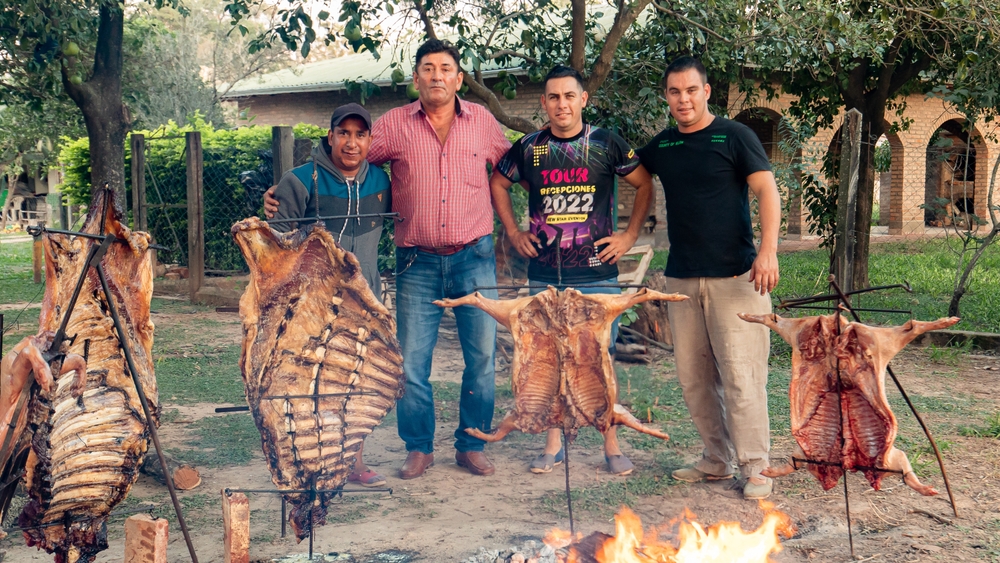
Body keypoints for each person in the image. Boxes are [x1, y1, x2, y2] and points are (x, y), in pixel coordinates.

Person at [490, 65, 655, 476]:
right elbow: (498, 182)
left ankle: (610, 442)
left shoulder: (606, 144)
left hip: (597, 273)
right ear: (544, 103)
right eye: (553, 97)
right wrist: (513, 232)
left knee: (599, 358)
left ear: (583, 99)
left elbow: (645, 184)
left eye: (569, 96)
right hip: (545, 273)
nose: (561, 104)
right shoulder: (530, 148)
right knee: (547, 358)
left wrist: (629, 236)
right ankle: (553, 443)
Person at [636, 56, 781, 500]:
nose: (683, 99)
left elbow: (767, 190)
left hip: (737, 277)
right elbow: (635, 179)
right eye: (675, 92)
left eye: (691, 90)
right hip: (681, 281)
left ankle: (756, 467)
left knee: (741, 375)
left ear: (706, 91)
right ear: (667, 96)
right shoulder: (663, 146)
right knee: (693, 377)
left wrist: (769, 251)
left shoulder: (734, 136)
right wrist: (626, 233)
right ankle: (715, 459)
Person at [267, 103, 391, 487]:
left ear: (370, 140)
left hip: (364, 301)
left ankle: (353, 458)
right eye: (344, 133)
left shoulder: (383, 183)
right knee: (309, 380)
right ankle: (307, 458)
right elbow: (278, 242)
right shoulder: (301, 180)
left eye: (360, 134)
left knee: (354, 377)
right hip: (312, 304)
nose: (351, 143)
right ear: (331, 136)